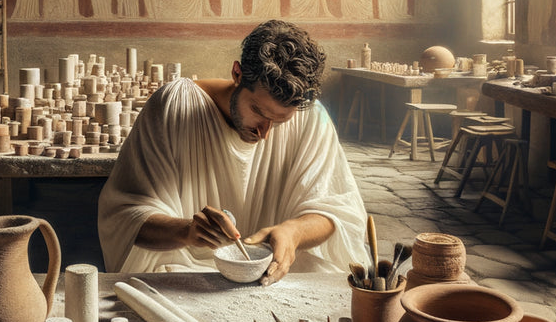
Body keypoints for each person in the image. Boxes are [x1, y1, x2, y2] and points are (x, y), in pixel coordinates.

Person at [99, 20, 367, 280]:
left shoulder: (310, 118)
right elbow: (124, 216)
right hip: (186, 269)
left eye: (280, 121)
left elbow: (337, 210)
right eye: (258, 112)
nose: (265, 133)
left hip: (273, 274)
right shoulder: (176, 105)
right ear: (237, 74)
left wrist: (293, 232)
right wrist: (188, 232)